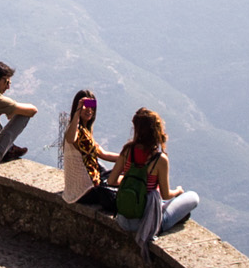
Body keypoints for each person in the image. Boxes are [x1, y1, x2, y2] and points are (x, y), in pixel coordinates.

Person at [110, 107, 199, 254]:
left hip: (123, 220)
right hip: (146, 223)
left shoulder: (127, 151)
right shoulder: (159, 159)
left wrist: (130, 183)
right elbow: (165, 194)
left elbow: (111, 181)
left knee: (160, 201)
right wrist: (178, 191)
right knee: (193, 197)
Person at [59, 89, 119, 214]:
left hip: (88, 184)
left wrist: (129, 158)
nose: (89, 110)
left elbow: (103, 154)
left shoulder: (86, 132)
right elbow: (70, 138)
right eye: (85, 106)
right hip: (83, 190)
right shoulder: (75, 129)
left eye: (92, 106)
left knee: (120, 172)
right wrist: (77, 112)